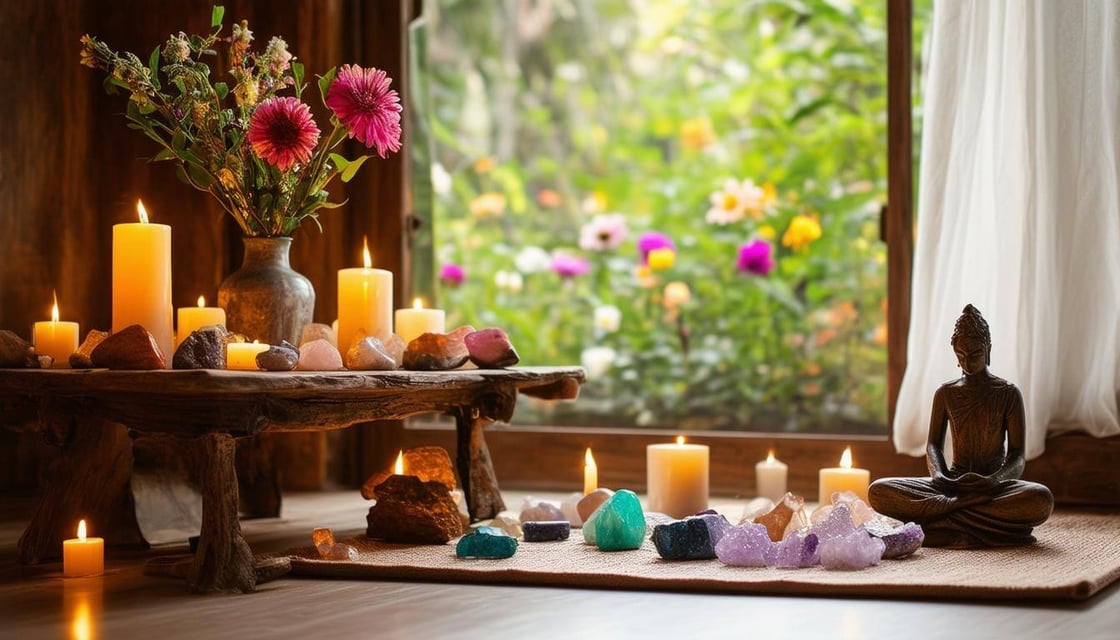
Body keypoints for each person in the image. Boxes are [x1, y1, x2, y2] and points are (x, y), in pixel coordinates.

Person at [869, 304, 1053, 547]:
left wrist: (994, 480)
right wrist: (941, 476)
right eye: (961, 355)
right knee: (879, 490)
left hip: (992, 487)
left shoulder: (1008, 393)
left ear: (988, 350)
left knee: (1040, 498)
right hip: (951, 485)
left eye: (975, 354)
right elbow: (933, 445)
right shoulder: (946, 393)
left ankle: (939, 521)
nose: (968, 362)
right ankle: (971, 517)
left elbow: (1017, 455)